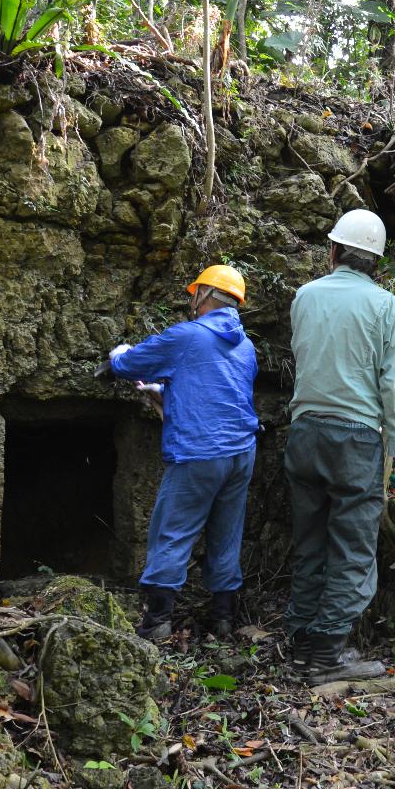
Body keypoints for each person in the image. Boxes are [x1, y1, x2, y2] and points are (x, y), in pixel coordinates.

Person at [284, 209, 395, 683]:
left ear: (334, 250)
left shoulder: (304, 296)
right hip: (357, 439)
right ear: (377, 262)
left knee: (310, 538)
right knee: (352, 545)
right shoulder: (386, 308)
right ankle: (327, 651)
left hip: (304, 433)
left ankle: (301, 639)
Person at [102, 265, 259, 643]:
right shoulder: (246, 345)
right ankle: (223, 620)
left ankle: (157, 621)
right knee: (226, 532)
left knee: (172, 532)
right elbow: (216, 393)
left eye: (195, 294)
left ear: (203, 295)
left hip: (199, 454)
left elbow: (128, 363)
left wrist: (118, 355)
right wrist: (163, 392)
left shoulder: (189, 336)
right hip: (241, 453)